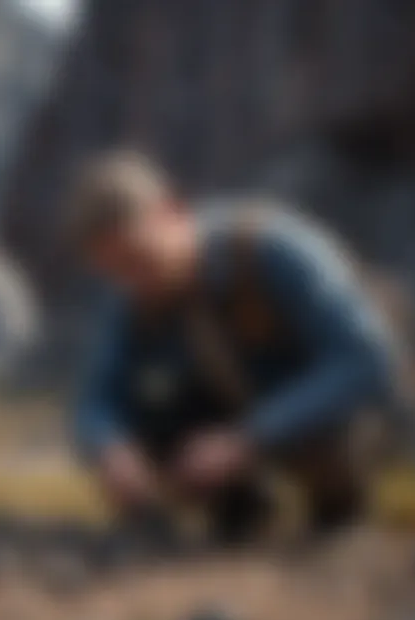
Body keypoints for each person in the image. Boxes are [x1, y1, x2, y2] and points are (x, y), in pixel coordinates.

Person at [70, 151, 397, 543]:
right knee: (147, 413)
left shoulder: (274, 248)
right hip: (224, 423)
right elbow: (96, 398)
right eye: (116, 271)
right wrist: (111, 448)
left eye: (139, 259)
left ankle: (338, 520)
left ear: (171, 213)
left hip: (314, 417)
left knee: (335, 434)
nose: (133, 280)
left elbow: (365, 359)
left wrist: (250, 439)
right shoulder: (132, 298)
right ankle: (238, 513)